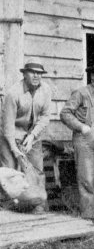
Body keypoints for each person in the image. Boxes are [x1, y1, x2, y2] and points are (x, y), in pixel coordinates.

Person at [60, 59, 94, 220]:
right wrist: (81, 127)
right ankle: (89, 215)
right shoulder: (81, 93)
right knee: (87, 178)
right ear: (92, 75)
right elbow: (65, 114)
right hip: (84, 141)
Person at [0, 59, 52, 213]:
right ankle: (7, 206)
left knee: (36, 168)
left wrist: (32, 136)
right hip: (11, 133)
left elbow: (45, 116)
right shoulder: (13, 93)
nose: (36, 76)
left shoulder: (46, 90)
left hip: (32, 134)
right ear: (25, 74)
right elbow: (7, 126)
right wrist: (14, 148)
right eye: (32, 72)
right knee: (9, 170)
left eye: (39, 73)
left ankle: (38, 204)